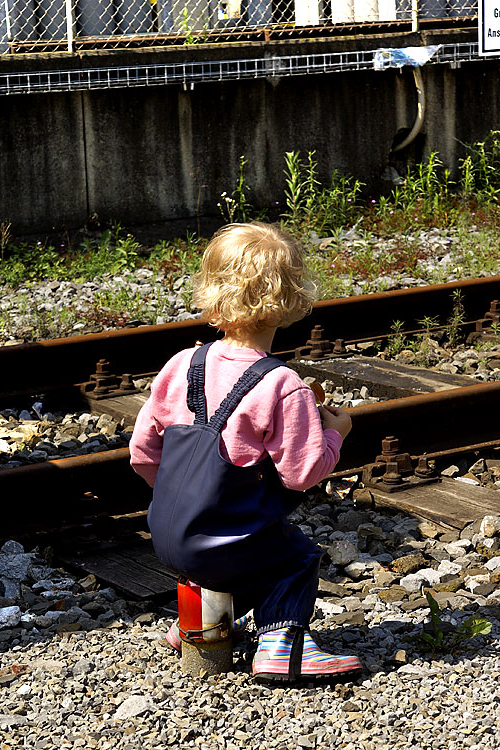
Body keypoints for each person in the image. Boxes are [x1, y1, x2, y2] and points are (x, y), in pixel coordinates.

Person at [129, 222, 362, 683]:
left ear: (211, 292)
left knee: (244, 547)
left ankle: (199, 622)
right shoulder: (281, 385)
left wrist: (187, 499)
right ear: (292, 298)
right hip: (226, 538)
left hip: (166, 535)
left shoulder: (181, 364)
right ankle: (280, 648)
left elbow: (141, 452)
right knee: (293, 556)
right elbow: (302, 474)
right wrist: (335, 433)